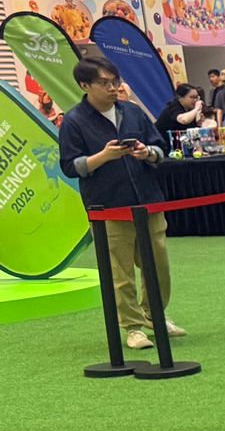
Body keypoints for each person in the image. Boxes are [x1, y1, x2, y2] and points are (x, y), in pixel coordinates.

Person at [57, 60, 180, 351]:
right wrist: (103, 157)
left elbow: (161, 147)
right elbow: (70, 166)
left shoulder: (132, 111)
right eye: (104, 83)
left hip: (148, 200)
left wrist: (147, 152)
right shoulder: (74, 120)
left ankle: (155, 315)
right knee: (119, 272)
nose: (113, 88)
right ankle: (132, 327)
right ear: (85, 86)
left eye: (115, 81)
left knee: (158, 266)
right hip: (108, 205)